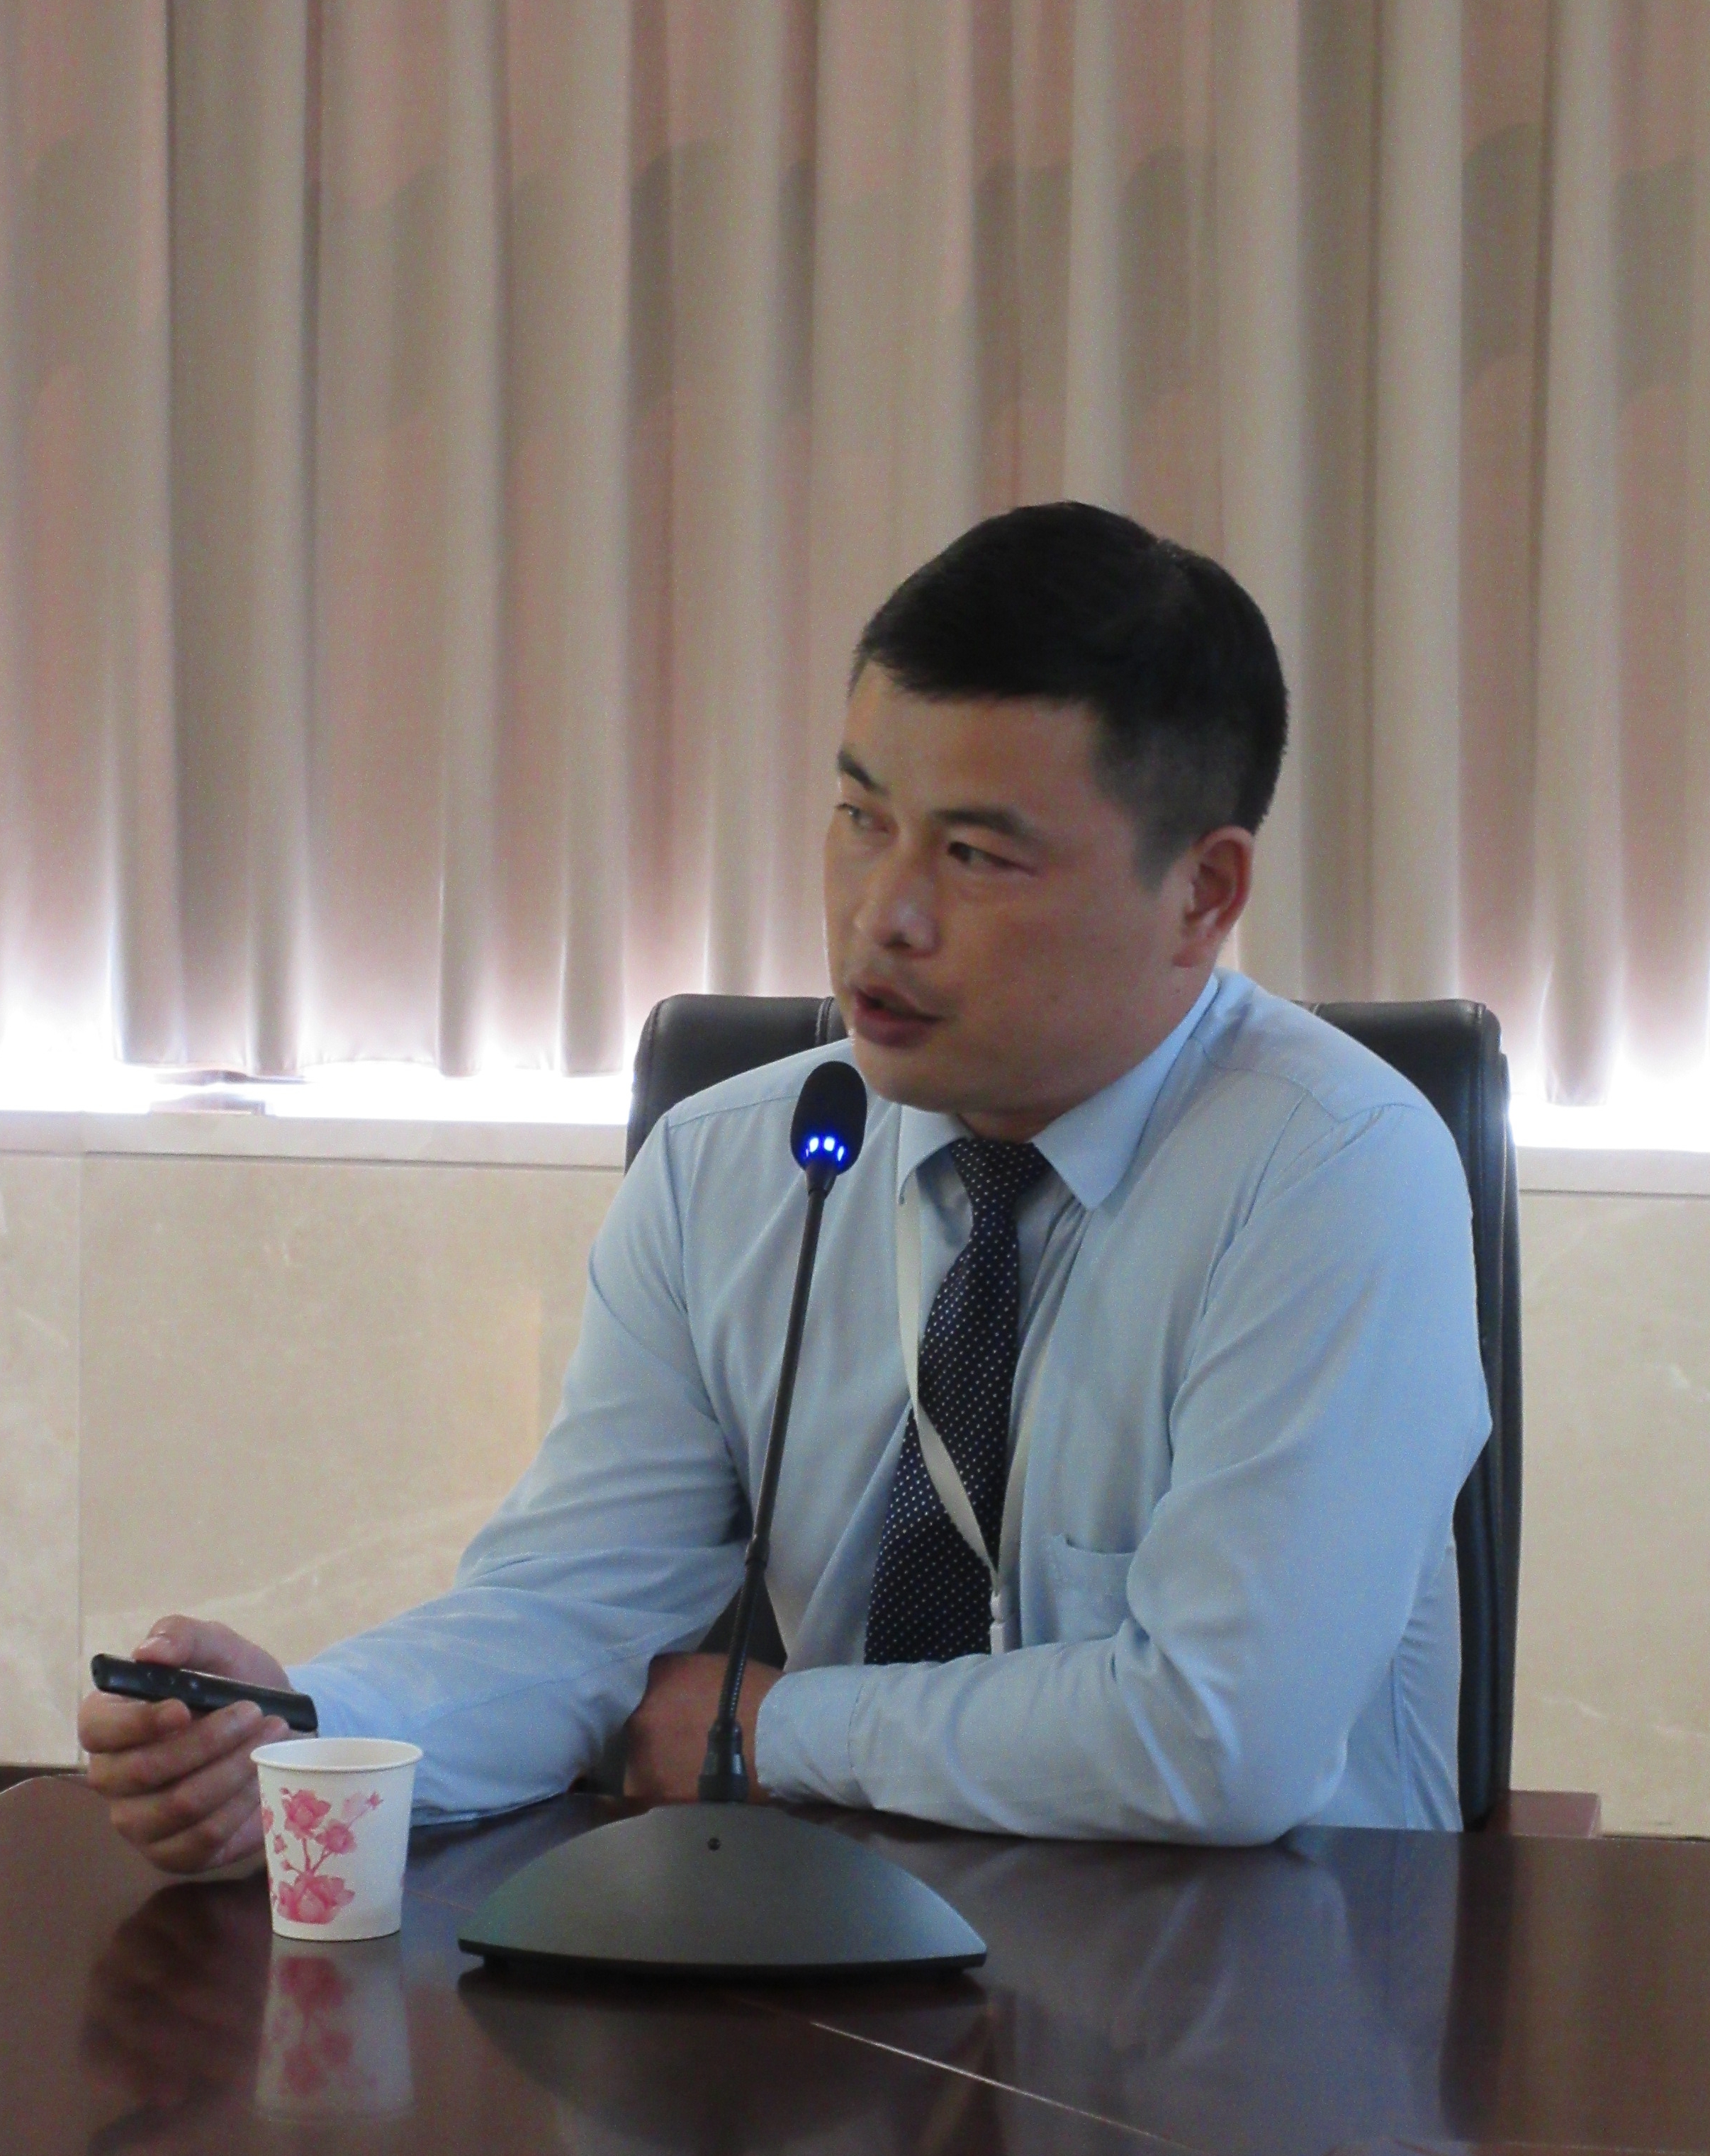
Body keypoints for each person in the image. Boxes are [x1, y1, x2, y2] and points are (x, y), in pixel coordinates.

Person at [79, 503, 1489, 1873]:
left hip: (1258, 1973)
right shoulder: (730, 1166)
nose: (886, 913)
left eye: (976, 855)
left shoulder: (1331, 1172)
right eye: (861, 817)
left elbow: (1218, 1735)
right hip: (822, 1950)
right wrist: (302, 1737)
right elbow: (569, 1616)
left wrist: (771, 1729)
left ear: (1202, 895)